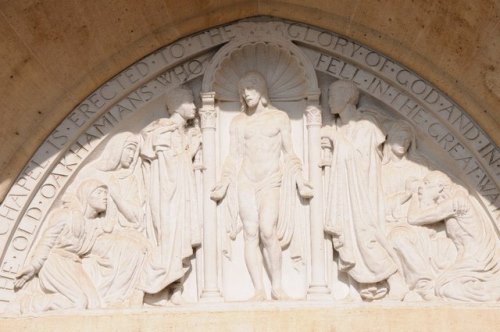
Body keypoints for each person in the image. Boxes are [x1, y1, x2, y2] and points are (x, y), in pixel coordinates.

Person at [210, 71, 313, 301]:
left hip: (270, 179)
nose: (246, 94)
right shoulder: (238, 122)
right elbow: (234, 156)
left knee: (267, 230)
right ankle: (258, 289)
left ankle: (277, 286)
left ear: (261, 90)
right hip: (246, 180)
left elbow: (289, 153)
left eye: (251, 88)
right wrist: (225, 181)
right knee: (250, 233)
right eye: (243, 90)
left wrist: (299, 179)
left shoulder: (279, 118)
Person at [321, 80, 407, 301]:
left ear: (347, 98)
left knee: (367, 237)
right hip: (342, 195)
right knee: (346, 240)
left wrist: (335, 138)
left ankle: (396, 281)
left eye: (332, 96)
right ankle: (354, 288)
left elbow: (361, 162)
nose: (329, 100)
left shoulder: (366, 128)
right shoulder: (339, 128)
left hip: (361, 196)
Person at [140, 86, 202, 304]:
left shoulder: (180, 132)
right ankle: (154, 287)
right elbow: (169, 168)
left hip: (181, 195)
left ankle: (176, 288)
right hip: (169, 198)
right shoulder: (164, 131)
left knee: (180, 238)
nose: (194, 107)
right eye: (189, 102)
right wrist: (191, 151)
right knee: (170, 239)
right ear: (177, 105)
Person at [381, 122, 456, 300]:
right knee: (391, 236)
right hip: (392, 222)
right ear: (388, 139)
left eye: (407, 140)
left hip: (421, 222)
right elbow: (378, 204)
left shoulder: (419, 167)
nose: (404, 142)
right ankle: (412, 283)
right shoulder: (380, 172)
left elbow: (440, 190)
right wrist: (405, 195)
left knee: (398, 238)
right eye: (400, 137)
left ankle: (424, 283)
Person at [14, 180, 109, 313]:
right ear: (86, 196)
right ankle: (30, 303)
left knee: (94, 306)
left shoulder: (94, 226)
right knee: (77, 302)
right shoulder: (65, 216)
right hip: (55, 263)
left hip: (74, 265)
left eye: (106, 193)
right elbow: (46, 242)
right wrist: (34, 266)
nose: (105, 197)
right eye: (99, 193)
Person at [407, 171, 500, 302]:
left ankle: (493, 292)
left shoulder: (457, 202)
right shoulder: (455, 198)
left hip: (477, 261)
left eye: (427, 184)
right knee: (440, 285)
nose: (422, 187)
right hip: (464, 260)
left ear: (440, 187)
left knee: (445, 289)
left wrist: (414, 195)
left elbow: (414, 218)